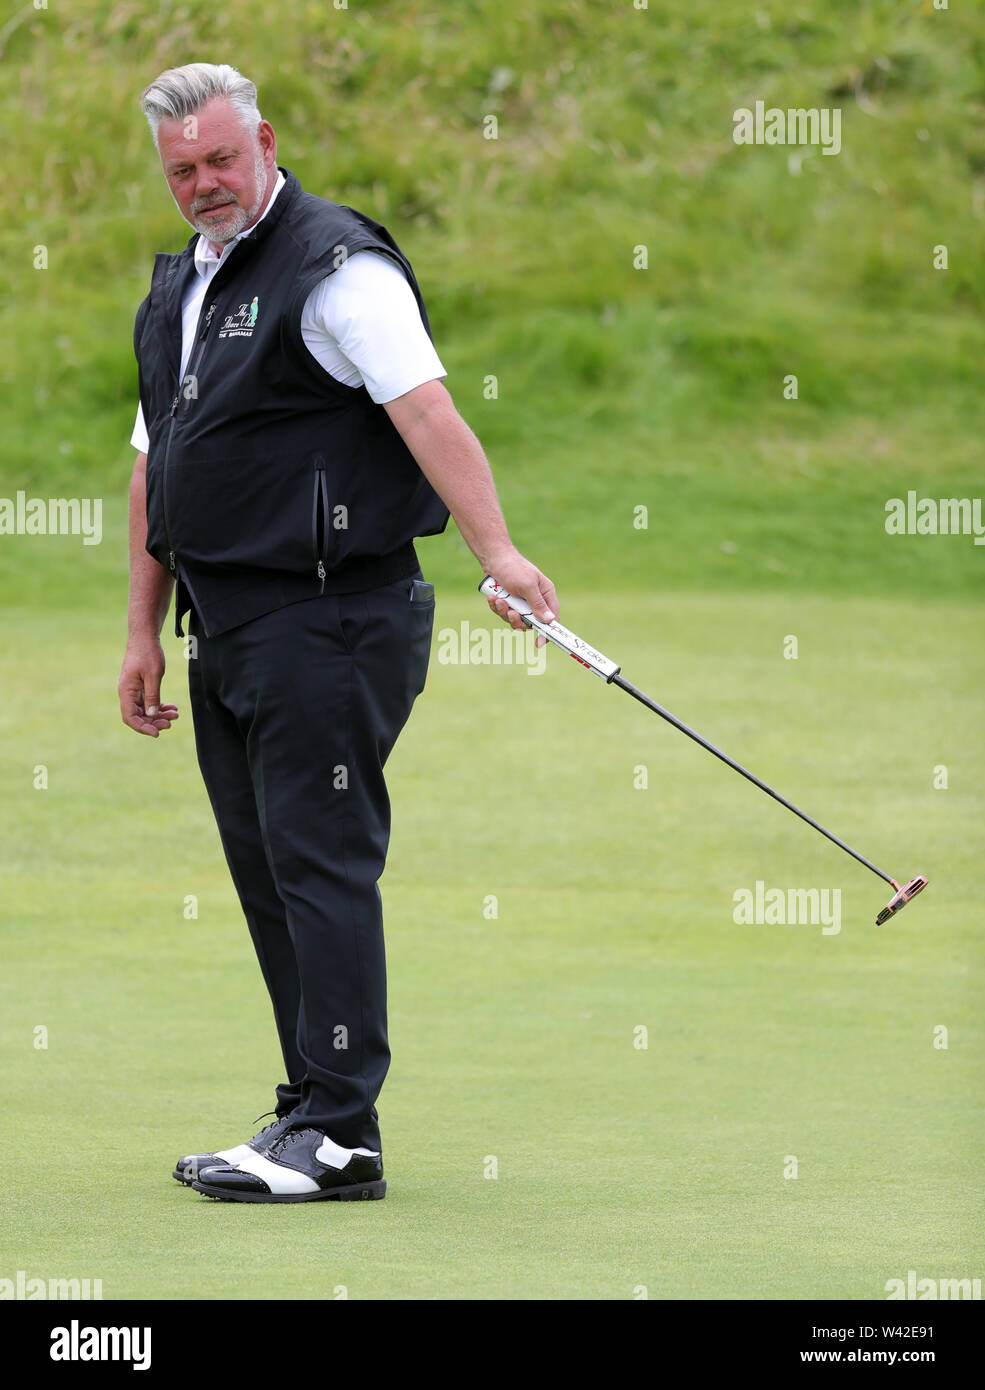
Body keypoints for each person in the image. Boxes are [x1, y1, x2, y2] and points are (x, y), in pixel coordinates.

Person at [118, 62, 558, 1203]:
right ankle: (308, 1109)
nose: (205, 185)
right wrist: (141, 632)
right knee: (268, 870)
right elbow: (154, 464)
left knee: (318, 865)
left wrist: (497, 553)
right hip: (226, 622)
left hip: (333, 617)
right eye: (182, 171)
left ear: (262, 138)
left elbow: (427, 412)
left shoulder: (338, 268)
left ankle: (343, 1134)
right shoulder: (184, 289)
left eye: (221, 159)